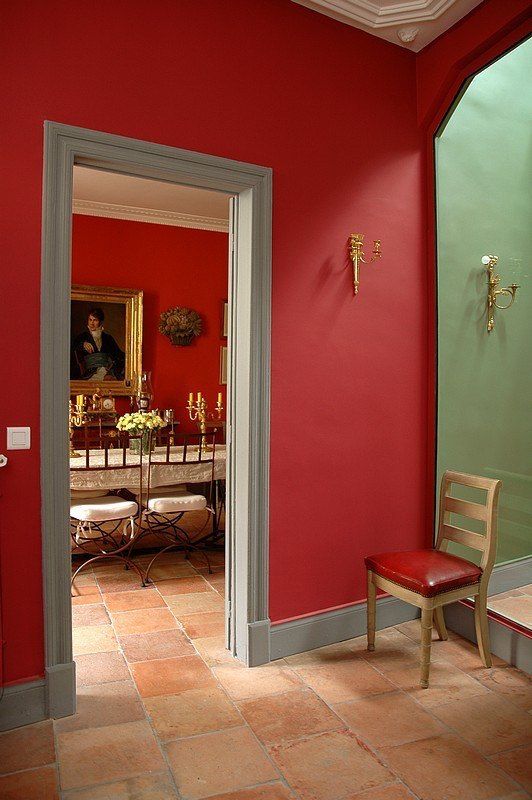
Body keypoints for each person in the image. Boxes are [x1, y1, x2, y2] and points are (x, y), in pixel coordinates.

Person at [71, 307, 125, 381]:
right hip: (90, 374)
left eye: (95, 320)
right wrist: (82, 344)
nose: (92, 323)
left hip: (107, 372)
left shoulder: (107, 338)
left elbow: (119, 355)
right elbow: (73, 346)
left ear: (101, 322)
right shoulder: (82, 337)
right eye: (90, 320)